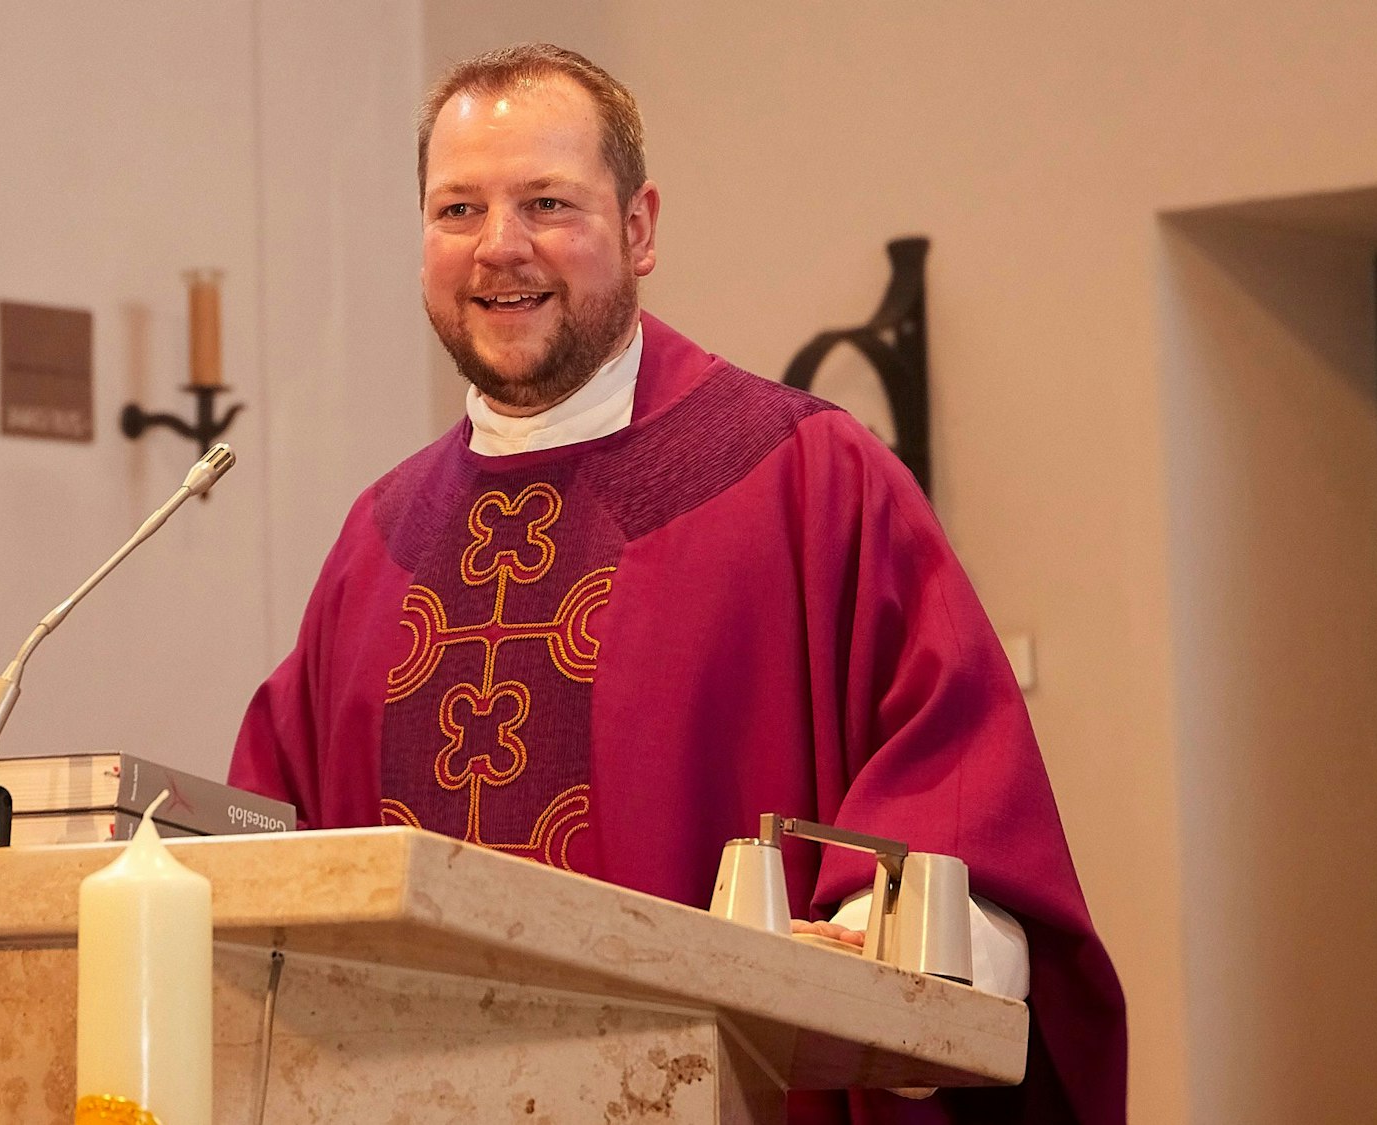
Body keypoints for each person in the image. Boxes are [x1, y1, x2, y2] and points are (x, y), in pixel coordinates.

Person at [229, 42, 1126, 1124]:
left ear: (640, 227)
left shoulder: (803, 477)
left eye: (546, 203)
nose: (497, 248)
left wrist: (887, 941)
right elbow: (265, 846)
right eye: (456, 210)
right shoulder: (379, 541)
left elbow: (950, 782)